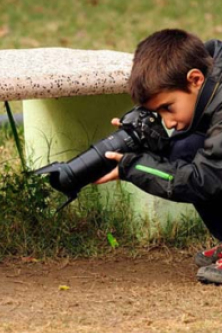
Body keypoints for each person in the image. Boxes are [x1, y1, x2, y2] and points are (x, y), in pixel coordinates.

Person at [95, 28, 222, 284]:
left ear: (195, 79)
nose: (169, 121)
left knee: (201, 168)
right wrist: (149, 140)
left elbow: (206, 179)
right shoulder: (210, 76)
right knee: (183, 149)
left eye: (167, 108)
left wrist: (132, 168)